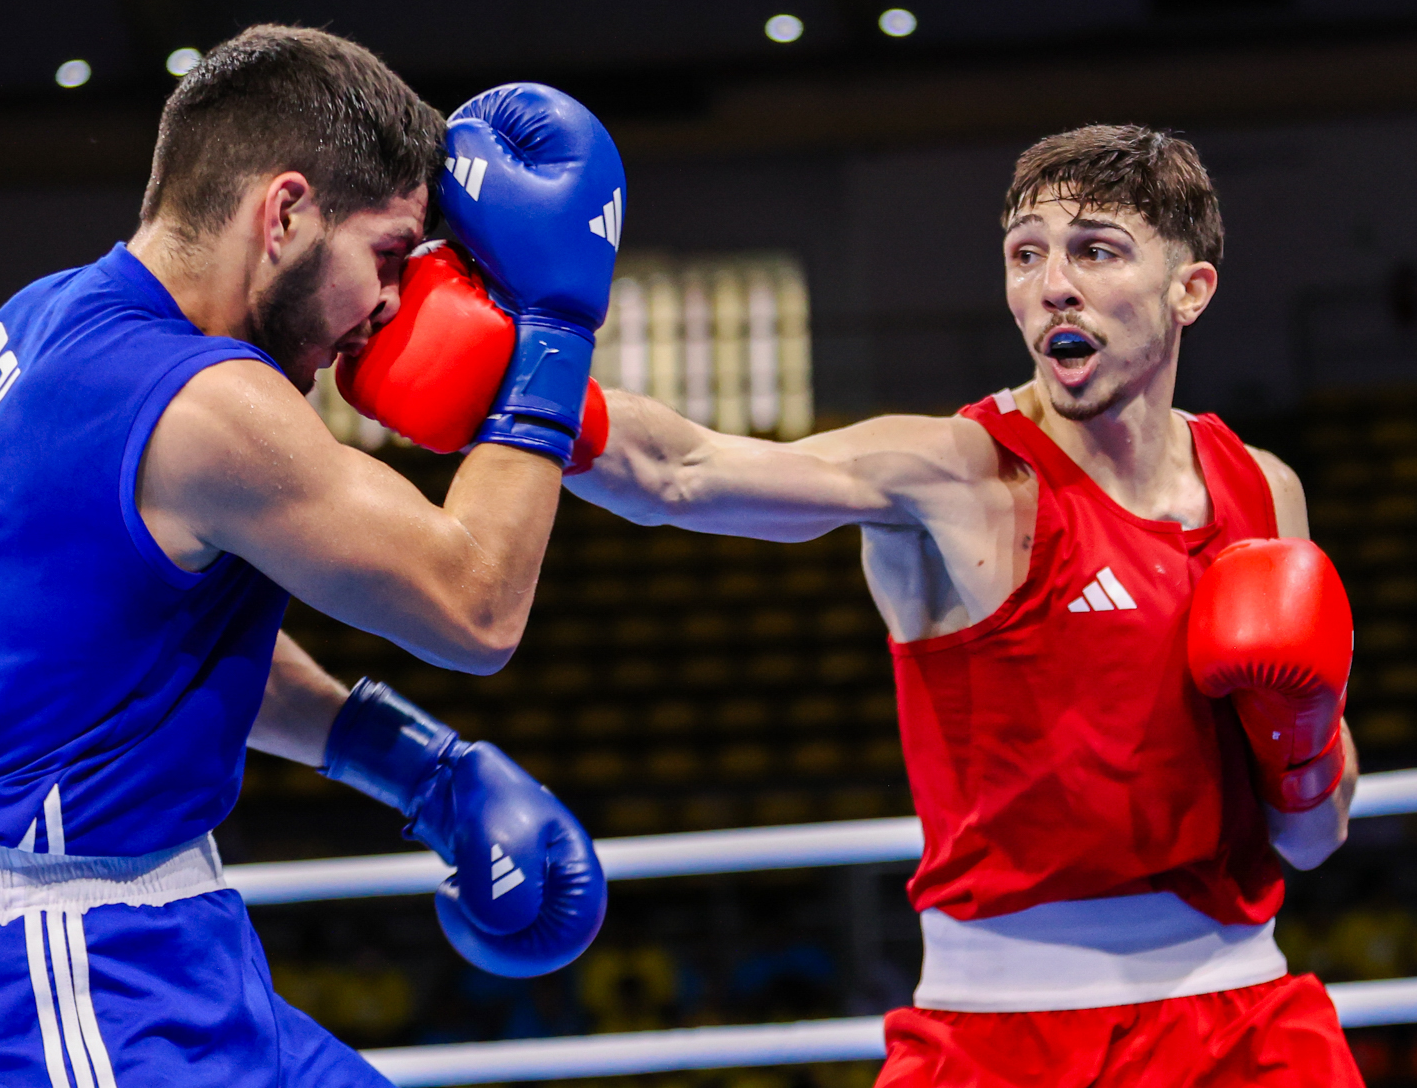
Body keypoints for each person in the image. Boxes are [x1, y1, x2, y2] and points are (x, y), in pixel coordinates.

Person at [0, 25, 620, 1086]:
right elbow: (476, 605)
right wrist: (556, 322)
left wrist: (410, 760)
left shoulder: (47, 315)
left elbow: (131, 643)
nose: (385, 311)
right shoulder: (201, 402)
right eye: (386, 256)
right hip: (60, 966)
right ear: (282, 213)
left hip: (162, 932)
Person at [560, 125, 1363, 1085]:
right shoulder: (961, 475)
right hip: (1004, 1032)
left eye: (1095, 250)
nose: (1051, 285)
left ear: (1188, 289)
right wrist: (504, 371)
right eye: (1026, 255)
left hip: (1242, 1013)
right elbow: (681, 469)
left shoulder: (1263, 492)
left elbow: (1313, 840)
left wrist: (1300, 737)